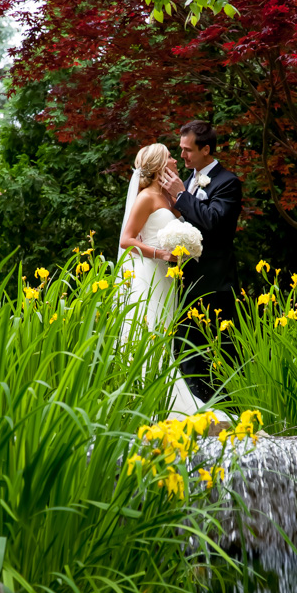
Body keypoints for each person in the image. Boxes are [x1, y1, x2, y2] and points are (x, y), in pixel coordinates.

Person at [118, 142, 226, 420]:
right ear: (158, 167)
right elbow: (126, 240)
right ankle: (154, 406)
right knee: (149, 334)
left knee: (164, 337)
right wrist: (162, 253)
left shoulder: (167, 198)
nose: (176, 161)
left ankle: (159, 400)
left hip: (168, 279)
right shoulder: (146, 198)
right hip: (149, 274)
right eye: (170, 158)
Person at [161, 120, 242, 400]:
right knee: (186, 355)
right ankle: (196, 414)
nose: (182, 155)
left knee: (220, 357)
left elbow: (214, 222)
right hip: (186, 285)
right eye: (180, 149)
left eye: (188, 150)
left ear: (206, 149)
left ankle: (227, 416)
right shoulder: (186, 182)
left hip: (215, 285)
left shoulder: (227, 182)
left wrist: (180, 196)